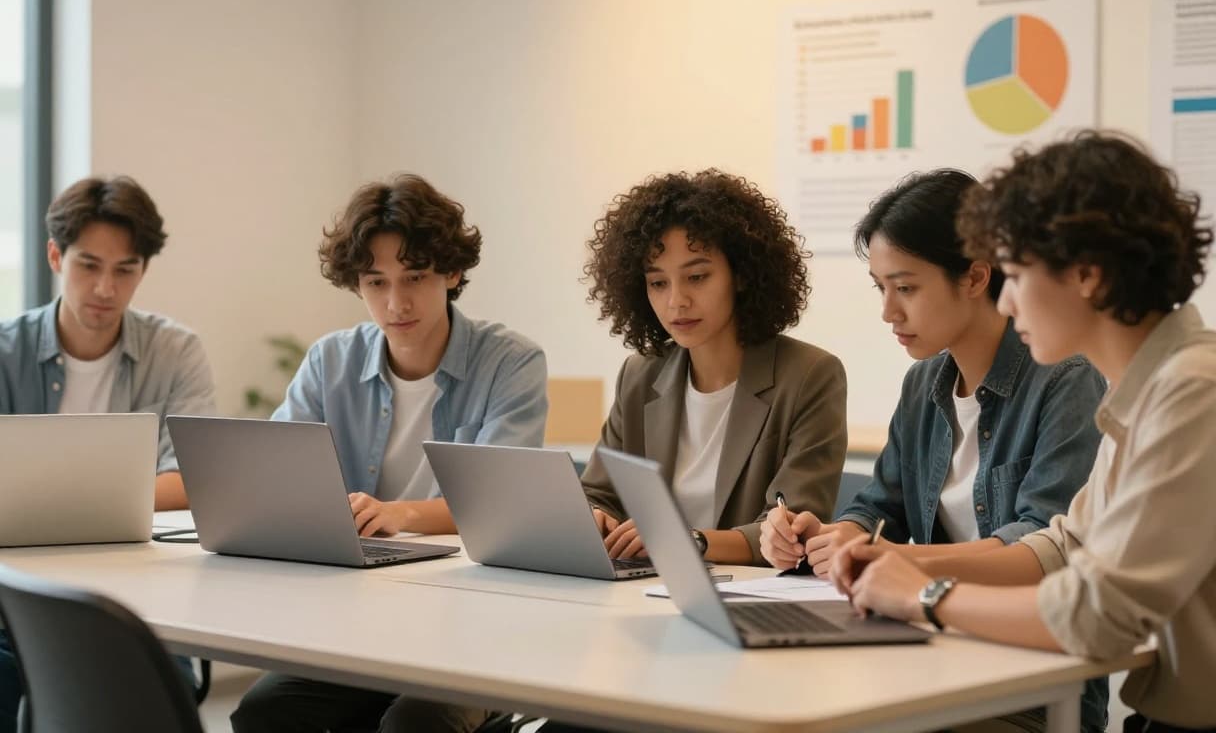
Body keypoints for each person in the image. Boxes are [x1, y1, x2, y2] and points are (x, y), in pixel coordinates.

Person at [832, 131, 1216, 731]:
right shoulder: (1154, 386)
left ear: (1088, 276)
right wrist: (899, 568)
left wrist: (924, 595)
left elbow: (1094, 617)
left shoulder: (1198, 392)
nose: (1007, 303)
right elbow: (1068, 544)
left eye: (1017, 276)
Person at [760, 169, 1108, 733]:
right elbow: (880, 505)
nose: (888, 312)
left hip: (1031, 687)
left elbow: (1044, 544)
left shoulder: (1065, 380)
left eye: (907, 287)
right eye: (880, 287)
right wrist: (839, 535)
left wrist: (896, 563)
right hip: (931, 658)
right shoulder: (925, 384)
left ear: (974, 277)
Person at [230, 173, 547, 733]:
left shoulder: (510, 362)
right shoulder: (330, 362)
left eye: (415, 277)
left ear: (452, 273)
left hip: (469, 624)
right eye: (376, 282)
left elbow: (502, 508)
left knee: (414, 726)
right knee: (264, 713)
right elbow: (274, 481)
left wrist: (398, 514)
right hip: (356, 620)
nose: (396, 302)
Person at [0, 174, 216, 731]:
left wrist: (53, 505)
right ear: (55, 255)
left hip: (142, 604)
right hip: (15, 606)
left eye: (126, 270)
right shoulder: (6, 352)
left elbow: (193, 477)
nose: (105, 289)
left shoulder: (175, 352)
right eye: (88, 265)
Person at [578, 169, 847, 566]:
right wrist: (596, 518)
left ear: (740, 275)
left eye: (697, 277)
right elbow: (598, 493)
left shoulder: (810, 375)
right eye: (658, 283)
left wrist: (687, 541)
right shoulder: (640, 374)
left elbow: (792, 529)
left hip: (747, 597)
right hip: (645, 587)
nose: (676, 302)